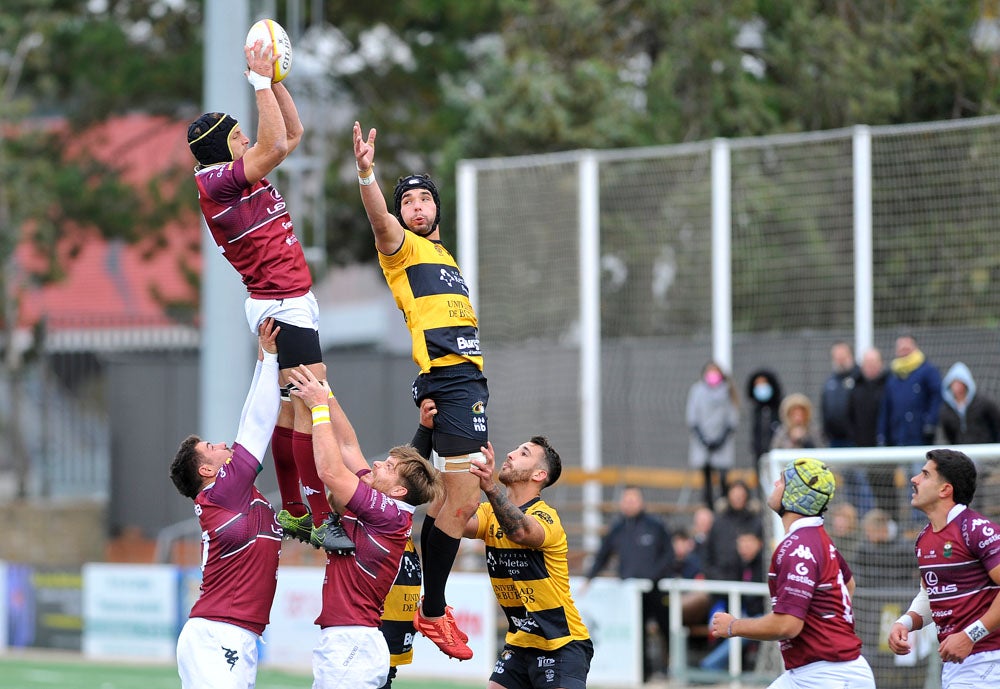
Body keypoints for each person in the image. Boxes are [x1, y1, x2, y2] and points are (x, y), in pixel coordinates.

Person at [186, 38, 351, 554]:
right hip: (281, 300)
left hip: (283, 299)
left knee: (289, 411)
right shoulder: (216, 181)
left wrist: (276, 80)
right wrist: (258, 81)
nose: (246, 140)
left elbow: (291, 134)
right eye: (238, 136)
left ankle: (298, 511)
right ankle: (321, 516)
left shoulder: (238, 174)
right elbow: (275, 145)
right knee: (310, 406)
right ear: (221, 146)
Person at [353, 121, 487, 659]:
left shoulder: (447, 260)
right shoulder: (402, 248)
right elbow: (378, 220)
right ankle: (432, 609)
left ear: (437, 210)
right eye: (406, 200)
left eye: (423, 199)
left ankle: (431, 606)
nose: (414, 207)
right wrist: (367, 173)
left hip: (462, 381)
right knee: (462, 500)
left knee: (451, 502)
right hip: (452, 380)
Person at [285, 364, 444, 689]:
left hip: (352, 645)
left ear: (399, 490)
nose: (375, 463)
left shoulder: (386, 512)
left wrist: (318, 409)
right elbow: (347, 445)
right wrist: (324, 389)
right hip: (350, 643)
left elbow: (330, 470)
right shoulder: (378, 500)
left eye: (387, 466)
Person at [170, 319, 284, 689]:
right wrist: (268, 361)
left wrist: (261, 362)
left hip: (234, 636)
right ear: (206, 469)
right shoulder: (223, 492)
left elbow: (249, 416)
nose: (223, 445)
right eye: (212, 448)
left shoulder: (233, 493)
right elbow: (255, 425)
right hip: (217, 636)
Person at [710, 458, 876, 688]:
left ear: (795, 495)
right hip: (820, 672)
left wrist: (733, 626)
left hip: (828, 675)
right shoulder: (817, 538)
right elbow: (848, 585)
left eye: (782, 481)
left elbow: (788, 625)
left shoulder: (798, 547)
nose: (775, 483)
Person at [462, 436, 593, 689]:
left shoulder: (546, 516)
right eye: (515, 450)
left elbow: (520, 531)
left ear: (539, 474)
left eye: (523, 453)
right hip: (520, 642)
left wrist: (489, 487)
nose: (510, 454)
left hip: (561, 643)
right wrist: (452, 463)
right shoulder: (489, 514)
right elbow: (453, 520)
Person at [887, 449, 1000, 687]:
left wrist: (972, 635)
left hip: (989, 660)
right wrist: (904, 623)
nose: (914, 479)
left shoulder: (977, 529)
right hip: (957, 664)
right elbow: (932, 593)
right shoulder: (924, 538)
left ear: (945, 490)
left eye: (925, 474)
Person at [582, 486, 674, 681]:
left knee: (666, 627)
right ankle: (643, 671)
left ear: (641, 501)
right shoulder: (617, 529)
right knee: (637, 631)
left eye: (633, 499)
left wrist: (654, 577)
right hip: (630, 594)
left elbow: (668, 555)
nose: (630, 503)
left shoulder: (655, 526)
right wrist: (589, 579)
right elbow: (602, 556)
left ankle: (670, 667)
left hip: (656, 590)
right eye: (626, 500)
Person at [700, 530, 766, 673]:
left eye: (749, 542)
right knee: (719, 618)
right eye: (741, 543)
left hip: (760, 615)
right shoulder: (736, 563)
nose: (745, 547)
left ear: (759, 543)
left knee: (738, 625)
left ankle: (709, 666)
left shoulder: (765, 565)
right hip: (740, 610)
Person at [820, 342, 874, 514]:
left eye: (843, 356)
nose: (840, 360)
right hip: (836, 443)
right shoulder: (830, 382)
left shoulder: (861, 380)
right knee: (846, 488)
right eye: (837, 357)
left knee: (862, 486)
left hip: (857, 444)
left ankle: (868, 520)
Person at [849, 348, 896, 516]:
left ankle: (893, 524)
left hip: (888, 449)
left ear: (881, 364)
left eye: (873, 363)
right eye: (867, 364)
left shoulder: (890, 384)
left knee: (889, 491)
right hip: (863, 448)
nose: (870, 367)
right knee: (868, 490)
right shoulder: (856, 387)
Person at [686, 361, 740, 508]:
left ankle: (724, 506)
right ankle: (708, 506)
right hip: (703, 442)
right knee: (706, 477)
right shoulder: (697, 391)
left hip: (722, 442)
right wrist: (704, 439)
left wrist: (720, 440)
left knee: (723, 477)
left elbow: (732, 419)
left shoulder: (728, 391)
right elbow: (692, 418)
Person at [877, 334, 942, 447]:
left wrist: (930, 423)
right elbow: (886, 407)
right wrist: (882, 433)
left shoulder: (928, 370)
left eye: (906, 348)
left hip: (920, 437)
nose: (903, 352)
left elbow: (937, 397)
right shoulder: (893, 376)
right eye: (901, 349)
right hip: (898, 436)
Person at [939, 362, 1000, 445]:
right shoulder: (946, 410)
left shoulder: (983, 403)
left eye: (960, 383)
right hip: (962, 451)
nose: (957, 387)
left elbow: (996, 424)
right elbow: (949, 434)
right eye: (954, 383)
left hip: (984, 450)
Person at [746, 368, 783, 464]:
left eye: (764, 383)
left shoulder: (781, 408)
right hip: (760, 455)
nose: (761, 386)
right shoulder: (757, 410)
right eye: (757, 384)